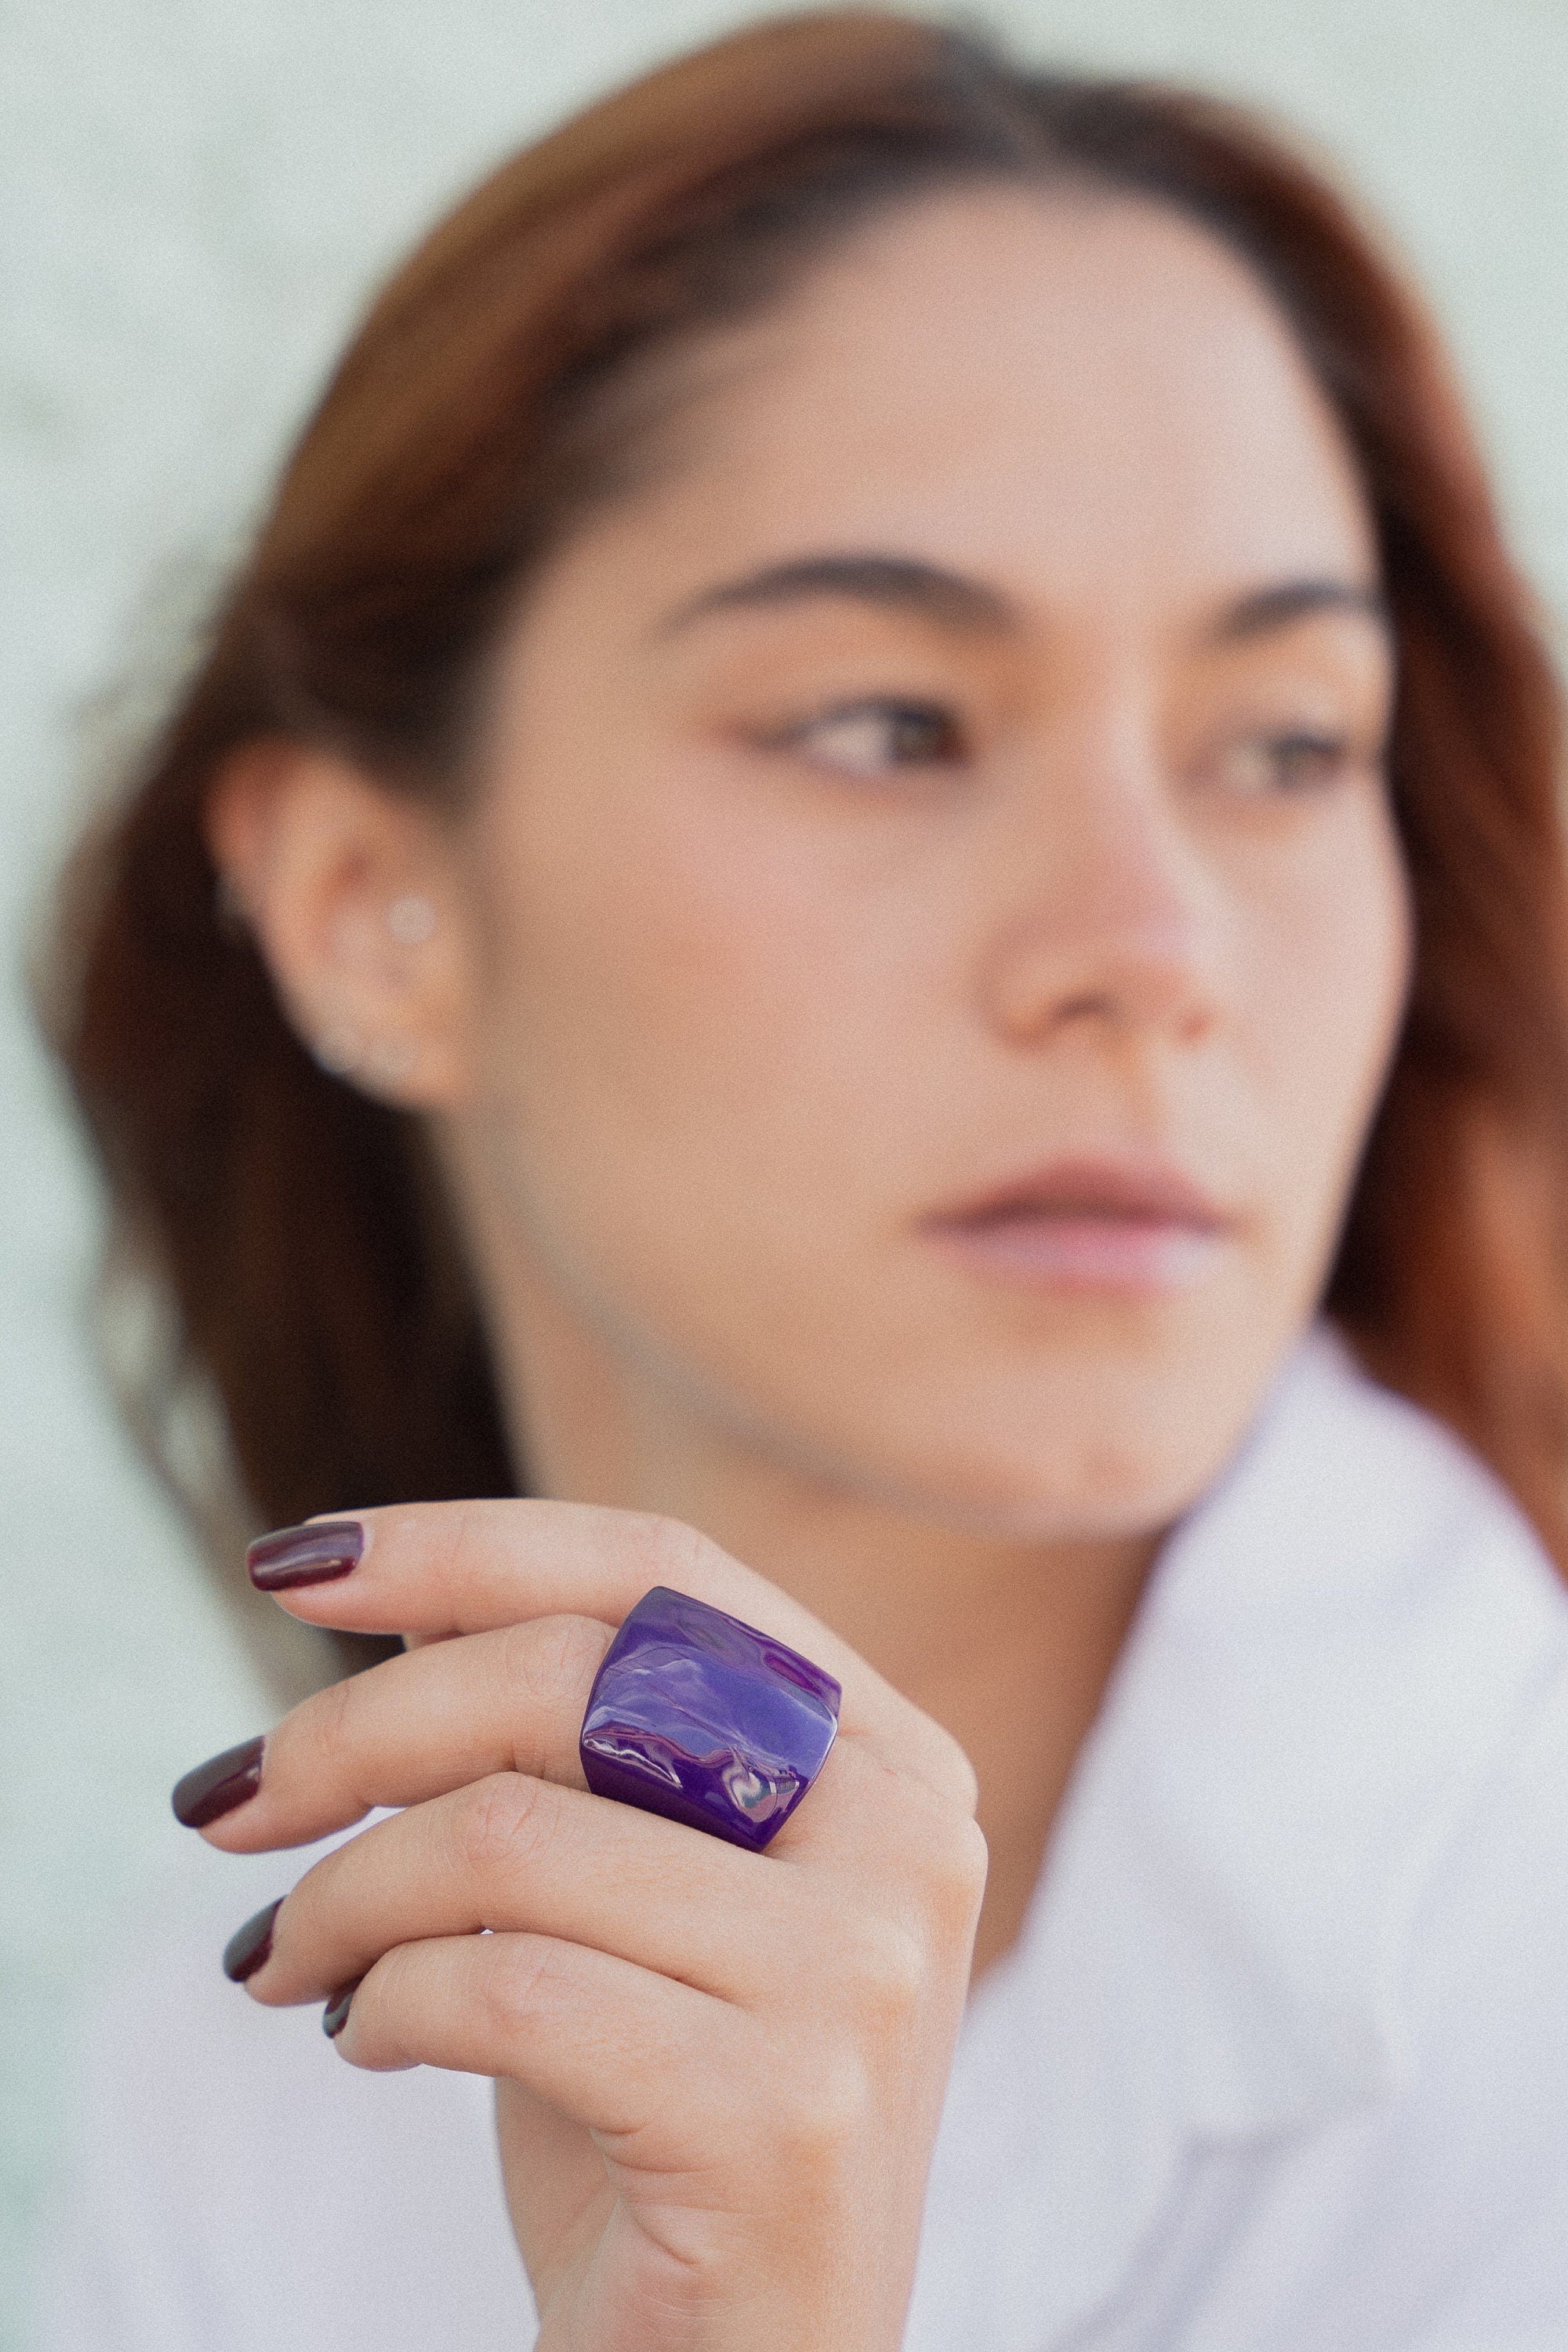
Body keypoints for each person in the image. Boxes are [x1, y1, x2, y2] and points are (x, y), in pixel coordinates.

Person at [28, 9, 1568, 2347]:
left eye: (1282, 744)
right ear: (365, 902)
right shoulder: (245, 2088)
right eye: (888, 723)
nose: (1151, 953)